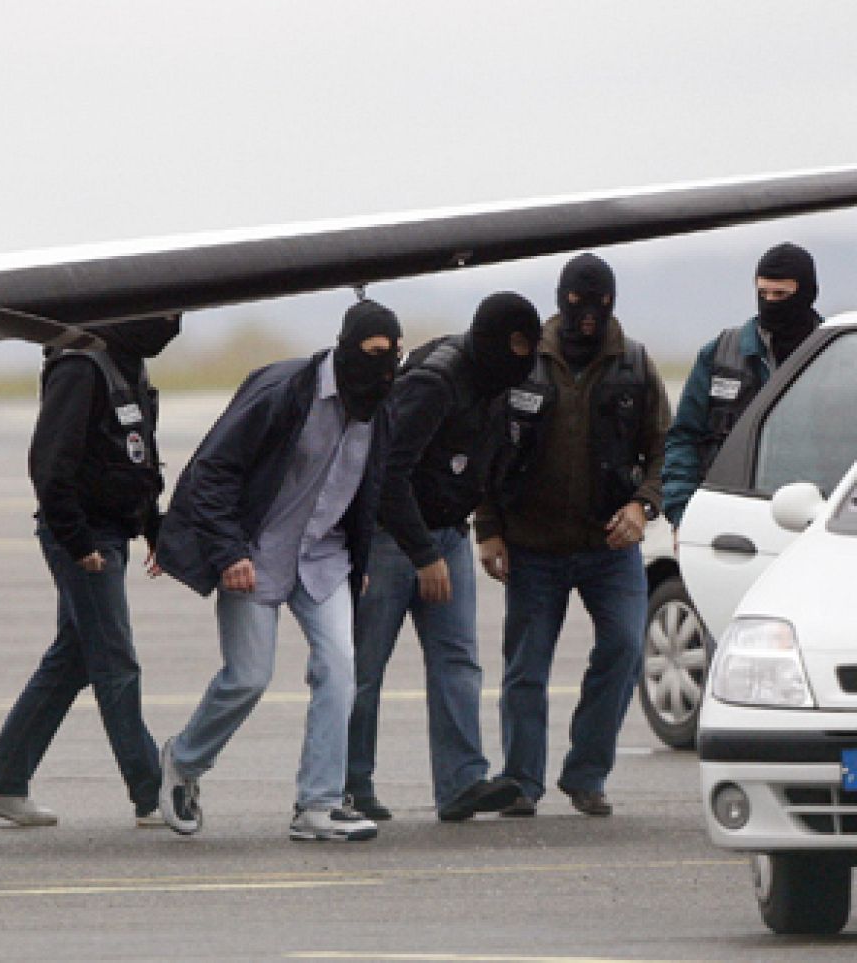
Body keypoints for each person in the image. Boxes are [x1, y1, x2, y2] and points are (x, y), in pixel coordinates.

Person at [153, 301, 402, 841]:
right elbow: (214, 469)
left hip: (324, 559)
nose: (384, 370)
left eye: (393, 357)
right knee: (248, 677)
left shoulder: (380, 404)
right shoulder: (286, 392)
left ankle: (318, 805)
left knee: (340, 669)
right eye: (374, 355)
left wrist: (359, 558)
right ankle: (183, 762)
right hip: (256, 556)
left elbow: (372, 485)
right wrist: (227, 552)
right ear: (345, 347)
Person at [0, 316, 182, 828]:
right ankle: (152, 793)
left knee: (76, 659)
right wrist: (78, 541)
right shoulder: (80, 366)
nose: (172, 326)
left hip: (112, 532)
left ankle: (1, 781)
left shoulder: (130, 365)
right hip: (85, 538)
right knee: (115, 661)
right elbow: (49, 464)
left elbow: (137, 454)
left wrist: (154, 528)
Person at [475, 255, 671, 817]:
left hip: (610, 548)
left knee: (625, 649)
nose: (589, 315)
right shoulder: (524, 361)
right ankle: (521, 781)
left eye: (601, 303)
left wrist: (643, 505)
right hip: (532, 546)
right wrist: (488, 530)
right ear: (560, 300)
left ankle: (586, 774)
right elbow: (488, 447)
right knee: (526, 670)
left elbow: (664, 448)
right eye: (579, 302)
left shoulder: (634, 364)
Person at [345, 292, 540, 823]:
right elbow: (386, 475)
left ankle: (460, 783)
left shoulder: (498, 385)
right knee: (364, 668)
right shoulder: (435, 384)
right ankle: (347, 785)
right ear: (495, 339)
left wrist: (485, 531)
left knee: (458, 662)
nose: (525, 355)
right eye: (517, 343)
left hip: (447, 536)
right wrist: (423, 553)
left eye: (531, 344)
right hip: (393, 541)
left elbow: (488, 464)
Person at [662, 242, 822, 530]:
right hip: (731, 519)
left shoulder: (834, 357)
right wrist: (682, 516)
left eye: (781, 294)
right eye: (763, 293)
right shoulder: (720, 354)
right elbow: (683, 439)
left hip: (814, 521)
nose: (771, 302)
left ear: (807, 293)